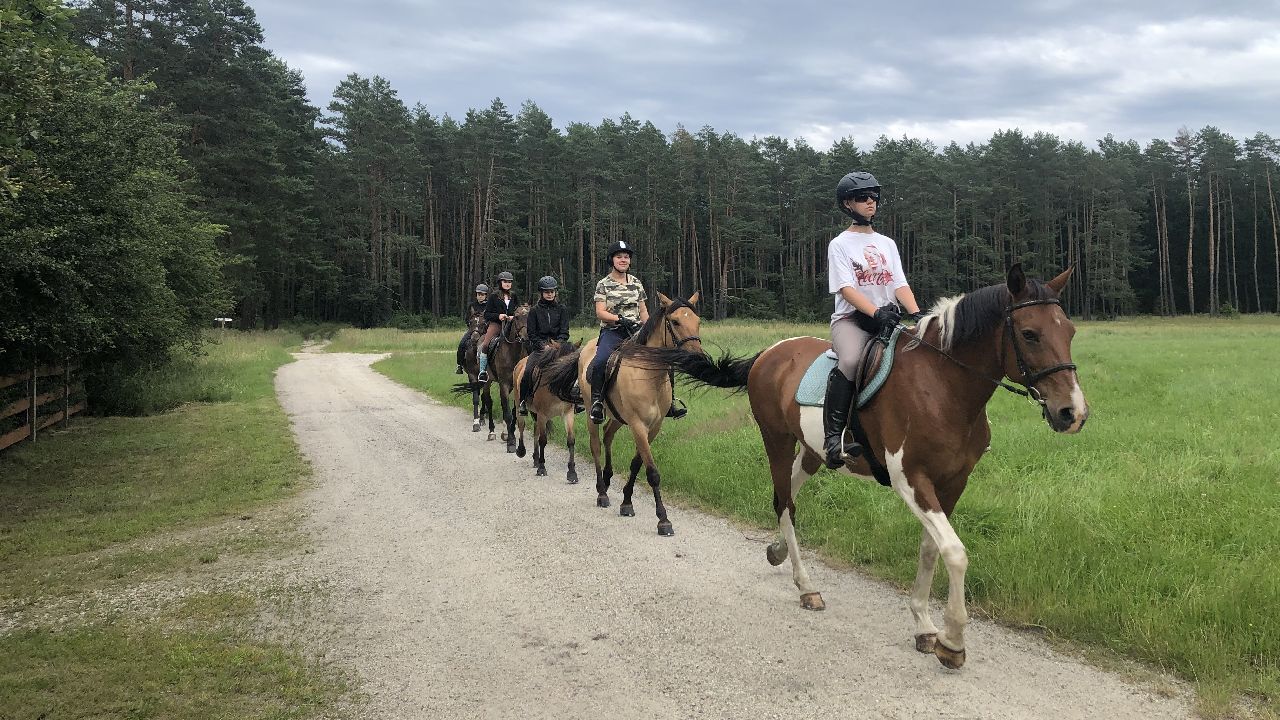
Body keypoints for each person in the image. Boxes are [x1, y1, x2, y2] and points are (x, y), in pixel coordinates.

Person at [824, 171, 922, 469]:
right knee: (852, 360)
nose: (871, 202)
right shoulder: (839, 244)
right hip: (852, 321)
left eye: (874, 197)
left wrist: (918, 314)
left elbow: (899, 285)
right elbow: (846, 289)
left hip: (888, 321)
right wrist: (875, 312)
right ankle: (833, 439)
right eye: (863, 198)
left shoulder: (887, 244)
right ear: (847, 204)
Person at [585, 240, 686, 424]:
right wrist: (619, 319)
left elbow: (643, 310)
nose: (623, 260)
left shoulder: (636, 283)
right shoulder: (603, 284)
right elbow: (600, 312)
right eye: (619, 257)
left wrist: (648, 327)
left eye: (626, 257)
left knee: (664, 359)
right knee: (600, 361)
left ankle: (669, 403)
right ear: (612, 260)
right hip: (613, 332)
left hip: (636, 331)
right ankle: (597, 402)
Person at [517, 276, 571, 416]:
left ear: (555, 292)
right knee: (528, 370)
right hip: (540, 347)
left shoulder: (562, 309)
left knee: (573, 368)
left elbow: (565, 331)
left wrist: (558, 344)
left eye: (552, 291)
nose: (549, 294)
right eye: (546, 291)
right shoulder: (534, 310)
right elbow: (531, 333)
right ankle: (523, 400)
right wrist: (543, 346)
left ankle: (574, 400)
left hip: (558, 347)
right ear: (541, 293)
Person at [476, 271, 519, 383]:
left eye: (510, 282)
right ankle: (483, 371)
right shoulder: (494, 296)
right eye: (505, 282)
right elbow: (487, 314)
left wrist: (512, 317)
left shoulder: (514, 296)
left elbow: (517, 310)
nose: (507, 284)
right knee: (485, 344)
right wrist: (498, 316)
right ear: (500, 282)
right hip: (496, 324)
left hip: (511, 324)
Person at [456, 284, 490, 374]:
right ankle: (460, 365)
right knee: (462, 343)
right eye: (479, 294)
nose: (480, 296)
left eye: (482, 294)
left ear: (486, 295)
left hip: (485, 331)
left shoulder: (489, 305)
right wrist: (472, 328)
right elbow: (467, 318)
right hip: (473, 329)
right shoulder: (472, 305)